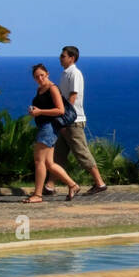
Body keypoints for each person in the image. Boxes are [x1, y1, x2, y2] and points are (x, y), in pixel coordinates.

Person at [51, 45, 109, 195]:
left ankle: (99, 183)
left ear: (72, 58)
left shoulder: (75, 74)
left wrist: (63, 116)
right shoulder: (65, 74)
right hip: (66, 120)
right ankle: (49, 186)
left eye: (63, 56)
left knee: (81, 152)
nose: (60, 58)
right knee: (59, 154)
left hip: (73, 121)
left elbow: (73, 96)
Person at [26, 64, 79, 202]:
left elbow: (60, 110)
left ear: (47, 74)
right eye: (37, 77)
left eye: (42, 75)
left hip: (48, 128)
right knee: (49, 163)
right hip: (44, 126)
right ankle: (73, 185)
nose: (40, 78)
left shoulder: (52, 88)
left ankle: (38, 194)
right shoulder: (40, 89)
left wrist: (40, 112)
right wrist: (34, 111)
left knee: (39, 161)